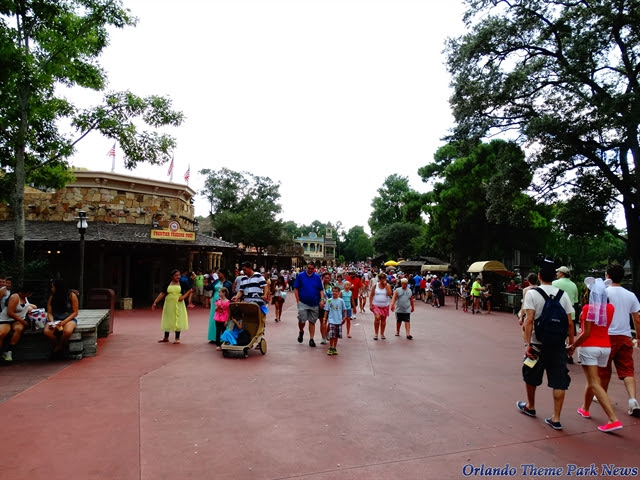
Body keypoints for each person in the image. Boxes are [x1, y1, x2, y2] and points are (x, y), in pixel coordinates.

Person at [517, 261, 575, 431]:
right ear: (554, 277)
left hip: (537, 344)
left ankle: (531, 406)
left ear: (539, 276)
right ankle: (556, 418)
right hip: (558, 345)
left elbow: (529, 320)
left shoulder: (532, 294)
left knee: (530, 373)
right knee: (559, 381)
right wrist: (571, 344)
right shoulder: (563, 295)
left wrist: (527, 343)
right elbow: (570, 323)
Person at [567, 278, 622, 432]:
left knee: (594, 382)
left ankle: (613, 419)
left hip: (590, 347)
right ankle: (585, 408)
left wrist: (573, 346)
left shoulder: (588, 308)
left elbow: (586, 333)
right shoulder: (610, 308)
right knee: (593, 380)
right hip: (605, 346)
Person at [600, 263, 640, 417]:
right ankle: (633, 399)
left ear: (608, 276)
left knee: (604, 369)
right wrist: (638, 337)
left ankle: (602, 394)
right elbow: (637, 319)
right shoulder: (630, 295)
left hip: (607, 335)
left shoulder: (603, 293)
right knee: (627, 370)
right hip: (624, 336)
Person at [152, 269, 191, 344]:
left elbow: (190, 290)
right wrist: (155, 302)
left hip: (178, 303)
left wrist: (183, 297)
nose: (178, 277)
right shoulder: (168, 283)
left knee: (177, 319)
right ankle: (166, 337)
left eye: (179, 275)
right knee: (168, 318)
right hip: (169, 304)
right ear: (172, 276)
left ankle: (177, 338)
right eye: (176, 275)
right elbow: (162, 293)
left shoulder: (182, 283)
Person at [44, 279, 79, 357]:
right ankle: (58, 344)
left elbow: (75, 312)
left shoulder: (71, 295)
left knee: (67, 331)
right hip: (55, 318)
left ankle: (60, 346)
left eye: (53, 287)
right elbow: (49, 312)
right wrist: (52, 322)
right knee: (47, 332)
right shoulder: (52, 297)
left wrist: (63, 322)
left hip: (68, 318)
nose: (51, 289)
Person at [293, 262, 325, 348]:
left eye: (312, 269)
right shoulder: (300, 276)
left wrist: (322, 300)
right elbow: (296, 288)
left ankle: (311, 339)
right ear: (306, 268)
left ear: (314, 269)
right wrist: (298, 301)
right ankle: (301, 331)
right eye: (309, 268)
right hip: (303, 302)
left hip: (314, 303)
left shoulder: (317, 277)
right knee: (302, 320)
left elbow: (321, 289)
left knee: (312, 321)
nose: (310, 270)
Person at [0, 285, 34, 363]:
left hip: (18, 320)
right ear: (26, 293)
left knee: (19, 329)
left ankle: (8, 350)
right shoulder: (15, 297)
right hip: (7, 319)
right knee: (1, 333)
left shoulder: (25, 298)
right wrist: (23, 321)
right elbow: (10, 313)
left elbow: (27, 307)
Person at [553, 266, 580, 363]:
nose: (557, 274)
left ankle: (557, 353)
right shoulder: (573, 285)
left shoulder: (554, 283)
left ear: (562, 273)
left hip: (557, 312)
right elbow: (575, 300)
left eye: (558, 272)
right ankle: (569, 354)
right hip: (570, 312)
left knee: (556, 333)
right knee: (569, 334)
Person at [207, 269, 233, 344]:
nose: (218, 275)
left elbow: (230, 293)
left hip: (224, 303)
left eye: (219, 273)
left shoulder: (228, 283)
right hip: (215, 302)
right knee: (214, 318)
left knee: (224, 317)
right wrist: (205, 283)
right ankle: (214, 337)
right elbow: (209, 287)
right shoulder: (216, 281)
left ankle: (223, 338)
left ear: (223, 274)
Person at [369, 272, 392, 340]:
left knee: (383, 320)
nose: (383, 280)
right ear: (379, 279)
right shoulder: (375, 286)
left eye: (384, 279)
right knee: (377, 318)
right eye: (382, 279)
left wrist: (386, 286)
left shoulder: (387, 285)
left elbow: (389, 294)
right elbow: (371, 295)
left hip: (385, 305)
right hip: (376, 304)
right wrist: (370, 304)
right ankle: (376, 333)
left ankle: (382, 333)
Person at [324, 286, 347, 355]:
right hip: (331, 320)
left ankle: (334, 348)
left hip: (339, 320)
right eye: (333, 291)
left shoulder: (341, 301)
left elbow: (344, 310)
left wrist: (345, 317)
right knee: (332, 335)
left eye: (336, 291)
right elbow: (326, 311)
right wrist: (324, 319)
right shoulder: (329, 300)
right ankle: (331, 347)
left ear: (339, 292)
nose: (334, 292)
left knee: (336, 335)